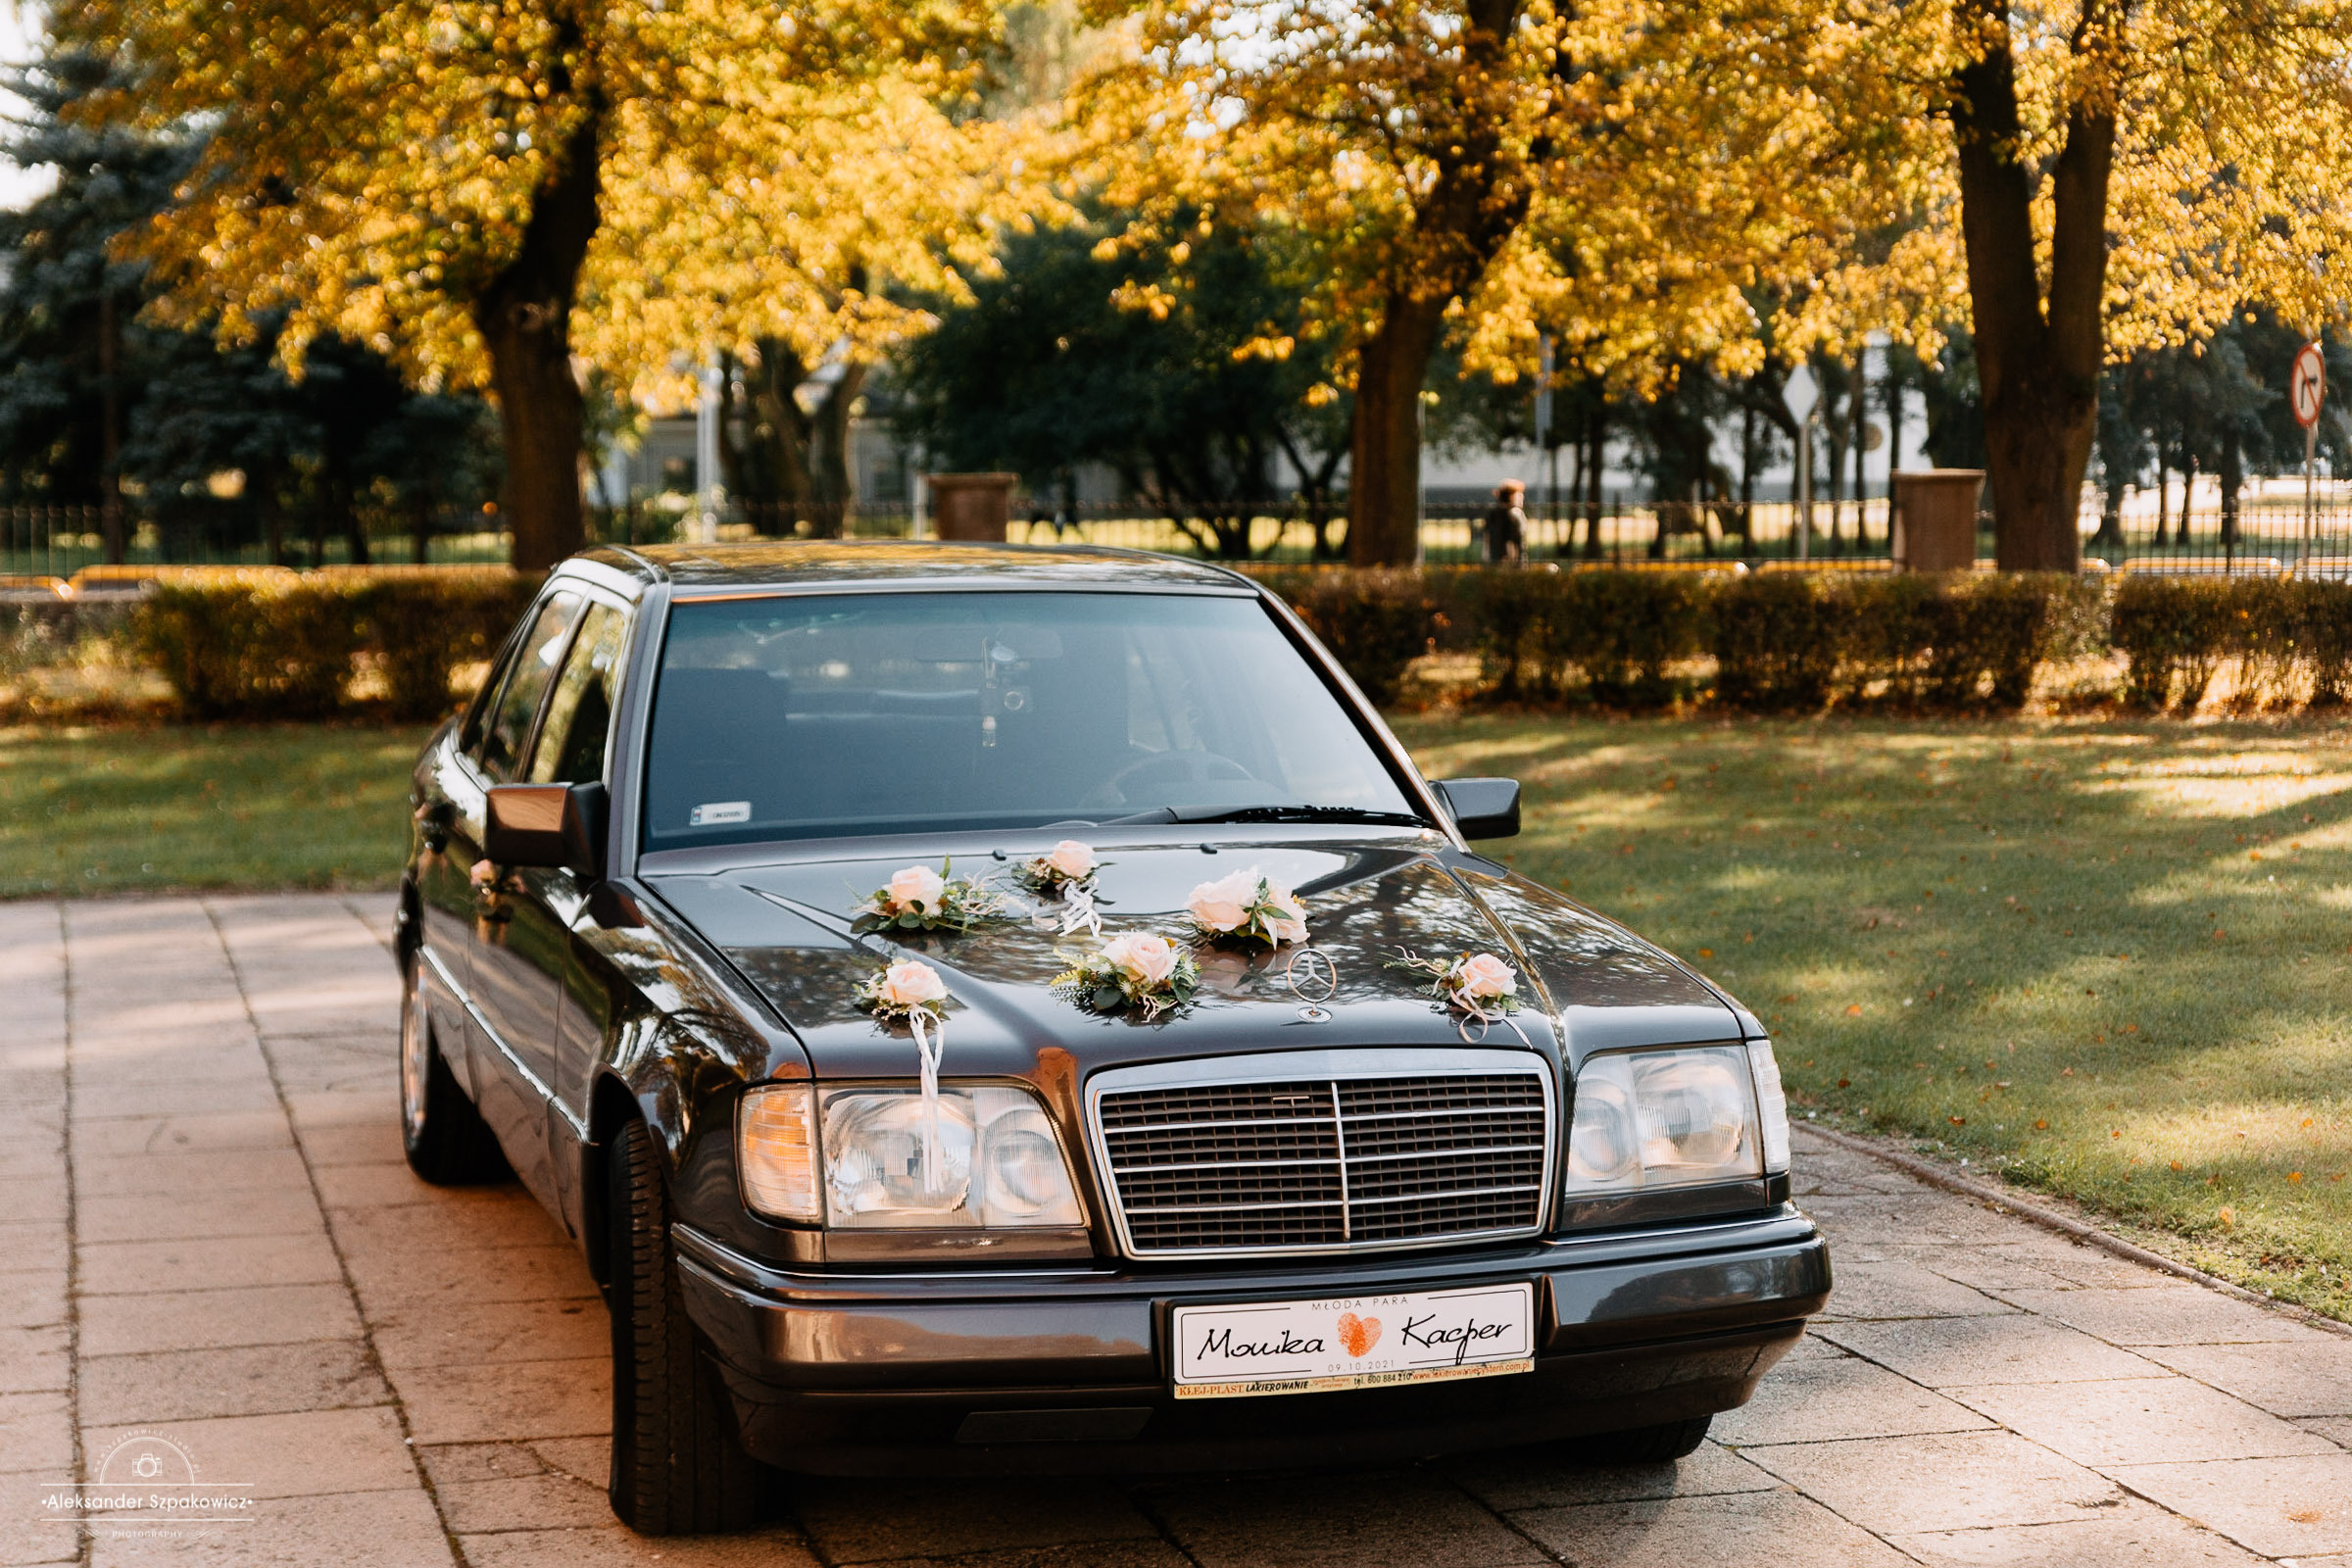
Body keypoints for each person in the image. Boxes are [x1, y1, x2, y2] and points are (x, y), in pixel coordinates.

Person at [1480, 480, 1527, 565]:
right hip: (1513, 561)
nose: (1522, 498)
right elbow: (1519, 541)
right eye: (1519, 495)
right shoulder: (1515, 514)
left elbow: (1487, 537)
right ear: (1511, 496)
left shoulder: (1493, 512)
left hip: (1494, 560)